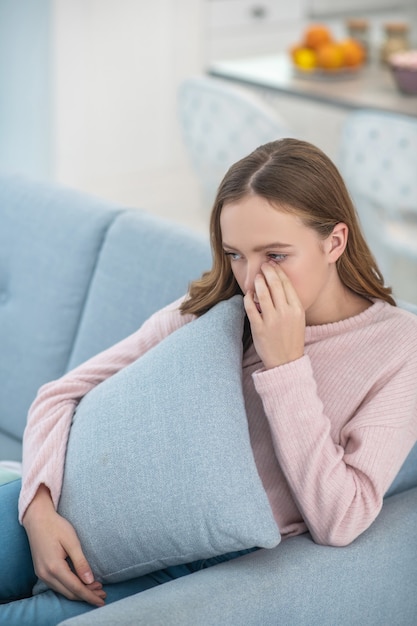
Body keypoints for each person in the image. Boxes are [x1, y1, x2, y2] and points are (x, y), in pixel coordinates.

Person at [1, 138, 417, 625]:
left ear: (335, 242)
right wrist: (39, 510)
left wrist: (285, 367)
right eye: (236, 254)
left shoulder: (399, 349)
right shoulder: (216, 311)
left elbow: (341, 519)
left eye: (276, 255)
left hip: (181, 558)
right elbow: (59, 394)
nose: (251, 278)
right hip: (68, 498)